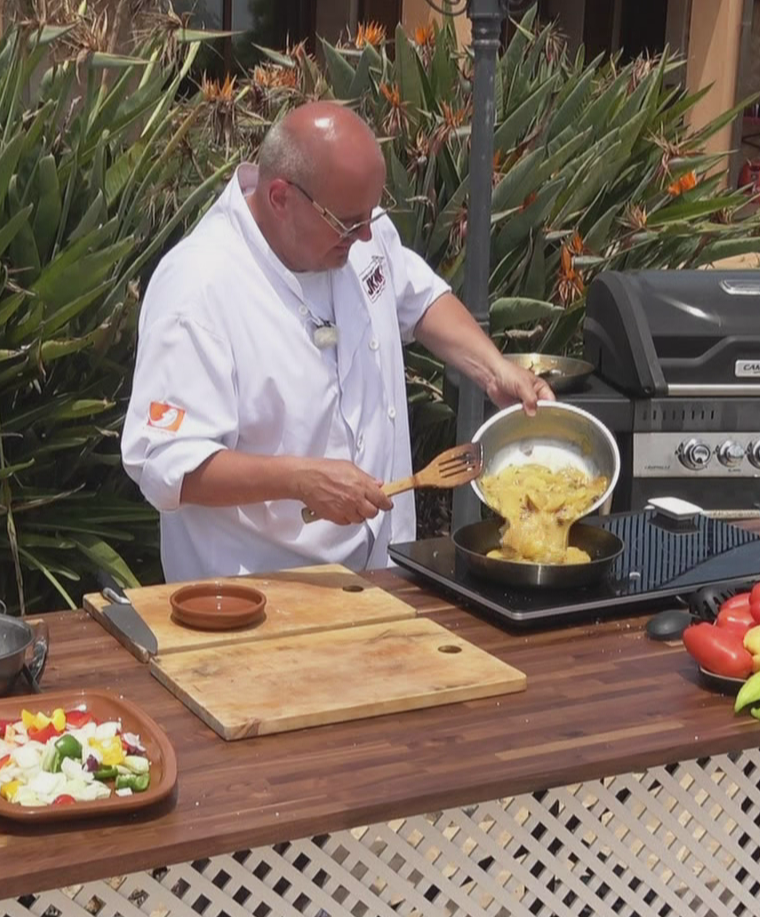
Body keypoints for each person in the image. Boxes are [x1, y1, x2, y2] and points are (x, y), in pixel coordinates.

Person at [121, 101, 553, 582]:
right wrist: (299, 479)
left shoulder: (357, 233)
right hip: (257, 599)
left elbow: (420, 297)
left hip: (383, 577)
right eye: (350, 222)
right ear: (281, 197)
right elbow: (166, 464)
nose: (367, 234)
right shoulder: (198, 288)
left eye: (371, 216)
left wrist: (495, 368)